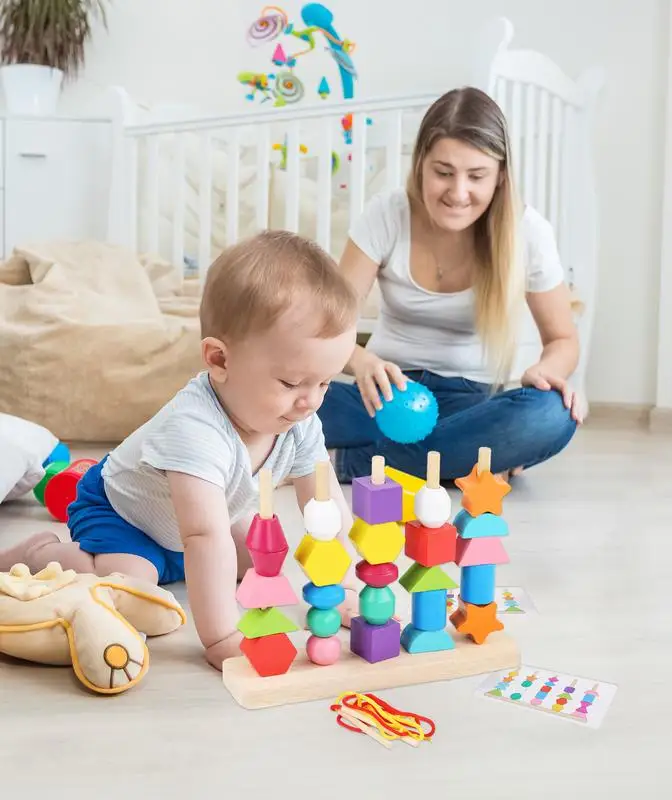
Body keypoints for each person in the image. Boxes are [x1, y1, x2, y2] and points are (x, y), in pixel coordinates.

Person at [0, 231, 360, 671]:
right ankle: (41, 553)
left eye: (324, 382)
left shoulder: (299, 419)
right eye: (290, 383)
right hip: (123, 515)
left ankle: (176, 567)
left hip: (194, 522)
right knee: (132, 586)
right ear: (220, 360)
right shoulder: (195, 429)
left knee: (263, 554)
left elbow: (326, 510)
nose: (311, 401)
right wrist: (222, 635)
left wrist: (343, 588)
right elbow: (203, 538)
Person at [318, 86, 582, 483]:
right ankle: (459, 460)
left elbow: (563, 340)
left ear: (500, 177)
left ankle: (348, 465)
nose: (458, 193)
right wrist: (361, 360)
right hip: (384, 397)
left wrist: (545, 371)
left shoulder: (529, 232)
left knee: (551, 414)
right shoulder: (387, 215)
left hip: (471, 404)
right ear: (420, 163)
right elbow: (328, 324)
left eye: (476, 176)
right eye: (443, 173)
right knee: (278, 396)